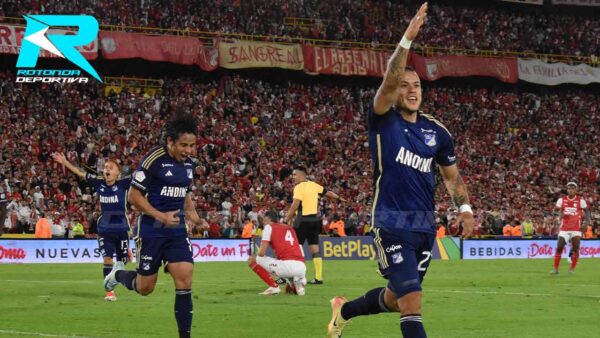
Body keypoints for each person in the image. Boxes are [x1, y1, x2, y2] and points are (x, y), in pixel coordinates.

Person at [326, 4, 475, 337]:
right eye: (405, 85)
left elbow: (453, 177)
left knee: (397, 299)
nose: (411, 90)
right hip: (391, 223)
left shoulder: (438, 132)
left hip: (424, 227)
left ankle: (344, 310)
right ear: (395, 92)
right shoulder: (382, 120)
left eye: (417, 86)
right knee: (413, 301)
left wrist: (464, 210)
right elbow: (391, 77)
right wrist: (407, 40)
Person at [104, 112, 203, 338]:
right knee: (145, 288)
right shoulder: (153, 160)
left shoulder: (189, 164)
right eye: (184, 145)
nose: (189, 150)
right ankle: (119, 275)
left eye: (192, 145)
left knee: (185, 276)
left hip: (177, 229)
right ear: (170, 142)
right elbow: (134, 196)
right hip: (151, 229)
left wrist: (194, 216)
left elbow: (184, 194)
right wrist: (161, 216)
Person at [52, 152, 131, 302]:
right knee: (107, 259)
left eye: (111, 168)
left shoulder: (124, 184)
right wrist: (64, 162)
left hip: (121, 229)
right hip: (105, 229)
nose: (107, 169)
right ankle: (109, 291)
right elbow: (80, 173)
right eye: (105, 167)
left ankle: (115, 274)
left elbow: (144, 176)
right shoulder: (99, 182)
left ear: (118, 172)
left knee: (122, 261)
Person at [283, 165, 345, 285]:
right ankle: (318, 277)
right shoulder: (314, 185)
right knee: (314, 248)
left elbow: (294, 206)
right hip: (316, 220)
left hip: (302, 220)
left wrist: (286, 220)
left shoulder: (299, 187)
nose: (293, 177)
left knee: (296, 248)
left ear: (301, 175)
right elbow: (328, 193)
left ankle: (298, 276)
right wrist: (339, 198)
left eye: (295, 175)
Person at [247, 210, 306, 296]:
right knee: (291, 288)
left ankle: (274, 287)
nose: (263, 223)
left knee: (252, 259)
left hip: (287, 266)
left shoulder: (268, 227)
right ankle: (296, 284)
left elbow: (261, 253)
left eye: (264, 221)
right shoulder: (289, 227)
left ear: (268, 220)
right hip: (301, 267)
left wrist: (258, 251)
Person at [550, 182, 591, 274]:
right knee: (559, 247)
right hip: (564, 229)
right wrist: (558, 216)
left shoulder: (581, 200)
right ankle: (555, 269)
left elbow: (587, 212)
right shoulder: (561, 200)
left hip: (576, 229)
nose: (570, 190)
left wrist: (586, 223)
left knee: (576, 249)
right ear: (567, 190)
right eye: (569, 188)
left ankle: (572, 269)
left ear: (576, 190)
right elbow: (555, 211)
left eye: (572, 188)